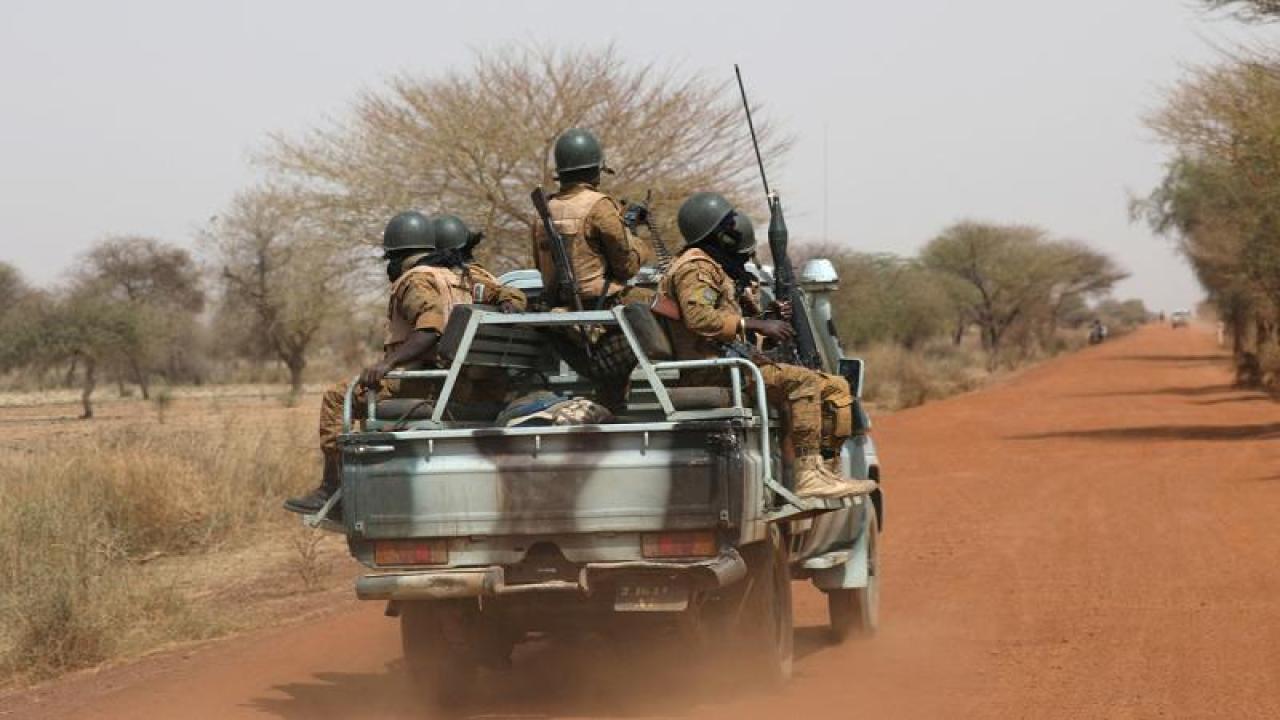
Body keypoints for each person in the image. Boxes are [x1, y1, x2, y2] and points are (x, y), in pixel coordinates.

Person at [284, 211, 526, 516]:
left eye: (390, 259)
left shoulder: (416, 281)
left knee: (336, 397)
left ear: (399, 257)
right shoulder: (467, 277)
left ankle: (332, 490)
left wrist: (388, 364)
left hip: (425, 382)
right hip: (465, 381)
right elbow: (510, 294)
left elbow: (430, 329)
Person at [657, 192, 875, 499]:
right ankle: (809, 475)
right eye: (728, 226)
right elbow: (699, 318)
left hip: (732, 364)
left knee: (836, 388)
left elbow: (727, 321)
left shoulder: (714, 267)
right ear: (716, 233)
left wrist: (766, 317)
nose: (736, 231)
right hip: (714, 371)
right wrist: (757, 324)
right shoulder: (696, 268)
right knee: (803, 381)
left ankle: (826, 470)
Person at [530, 127, 656, 411]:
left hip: (563, 319)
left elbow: (542, 267)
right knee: (667, 308)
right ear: (595, 172)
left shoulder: (543, 212)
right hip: (603, 313)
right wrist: (635, 238)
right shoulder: (601, 207)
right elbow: (626, 267)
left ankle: (611, 405)